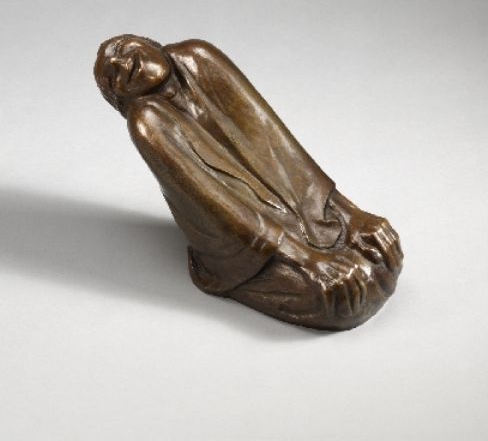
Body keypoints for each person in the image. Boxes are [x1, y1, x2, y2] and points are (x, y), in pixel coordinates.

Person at [94, 35, 403, 329]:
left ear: (149, 43)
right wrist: (308, 260)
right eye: (111, 75)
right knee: (341, 300)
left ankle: (330, 247)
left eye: (122, 48)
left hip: (298, 210)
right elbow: (218, 205)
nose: (122, 63)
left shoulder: (196, 58)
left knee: (380, 251)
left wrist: (351, 214)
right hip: (247, 245)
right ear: (119, 98)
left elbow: (282, 150)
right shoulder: (147, 120)